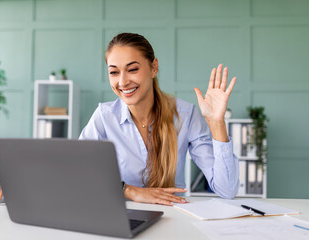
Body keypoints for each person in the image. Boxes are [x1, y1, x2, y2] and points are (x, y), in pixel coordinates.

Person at [79, 33, 239, 206]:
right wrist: (129, 190)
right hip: (122, 216)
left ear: (154, 67)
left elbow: (227, 190)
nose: (123, 82)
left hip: (172, 218)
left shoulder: (186, 115)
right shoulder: (104, 116)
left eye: (132, 69)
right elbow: (76, 173)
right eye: (114, 72)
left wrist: (217, 123)